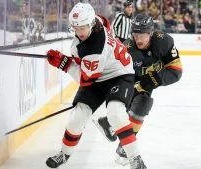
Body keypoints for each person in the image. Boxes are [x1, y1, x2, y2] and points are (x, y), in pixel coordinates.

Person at [45, 2, 147, 169]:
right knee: (77, 117)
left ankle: (136, 159)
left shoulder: (95, 48)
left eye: (83, 27)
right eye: (76, 27)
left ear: (91, 23)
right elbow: (105, 23)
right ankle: (64, 153)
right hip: (99, 73)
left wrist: (65, 64)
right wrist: (74, 61)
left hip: (119, 75)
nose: (79, 32)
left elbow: (86, 80)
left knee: (116, 114)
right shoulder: (97, 21)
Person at [94, 13, 183, 164]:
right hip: (129, 78)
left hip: (149, 80)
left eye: (142, 35)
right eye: (135, 34)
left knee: (142, 102)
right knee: (142, 103)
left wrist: (156, 79)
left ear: (151, 33)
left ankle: (108, 123)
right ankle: (123, 145)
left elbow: (176, 71)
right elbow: (117, 75)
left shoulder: (164, 41)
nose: (138, 39)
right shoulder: (127, 49)